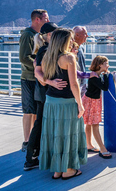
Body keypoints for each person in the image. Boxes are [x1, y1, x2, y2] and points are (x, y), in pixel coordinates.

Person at [39, 28, 87, 179]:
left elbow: (42, 77)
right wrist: (80, 104)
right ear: (66, 41)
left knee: (55, 134)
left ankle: (57, 170)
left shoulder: (47, 56)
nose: (73, 41)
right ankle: (68, 170)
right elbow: (74, 85)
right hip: (66, 103)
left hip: (51, 102)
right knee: (68, 134)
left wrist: (51, 82)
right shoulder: (69, 58)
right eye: (71, 38)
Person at [24, 22, 66, 171]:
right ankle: (30, 158)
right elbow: (37, 72)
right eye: (56, 33)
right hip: (44, 93)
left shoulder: (50, 50)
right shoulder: (44, 50)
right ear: (50, 35)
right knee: (40, 123)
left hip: (48, 92)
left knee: (44, 124)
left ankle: (40, 156)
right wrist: (51, 82)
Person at [19, 9, 49, 151]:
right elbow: (24, 57)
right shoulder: (27, 35)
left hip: (38, 77)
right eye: (46, 19)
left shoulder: (39, 35)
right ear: (37, 19)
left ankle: (34, 140)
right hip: (29, 78)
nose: (47, 21)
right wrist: (38, 66)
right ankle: (26, 141)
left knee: (37, 111)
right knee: (29, 110)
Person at [83, 55, 112, 159]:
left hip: (92, 101)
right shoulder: (95, 77)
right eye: (106, 64)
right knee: (95, 125)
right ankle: (103, 149)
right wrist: (106, 75)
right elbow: (104, 87)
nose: (108, 65)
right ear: (100, 65)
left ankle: (88, 145)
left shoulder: (96, 75)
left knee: (89, 124)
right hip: (92, 102)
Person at [72, 26, 88, 95]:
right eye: (85, 34)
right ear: (77, 35)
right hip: (76, 82)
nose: (87, 36)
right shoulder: (71, 48)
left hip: (83, 81)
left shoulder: (81, 47)